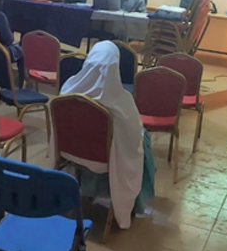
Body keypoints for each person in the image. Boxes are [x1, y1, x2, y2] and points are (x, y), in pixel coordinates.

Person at [58, 41, 155, 229]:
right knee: (144, 141)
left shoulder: (68, 89)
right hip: (105, 160)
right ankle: (135, 203)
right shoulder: (121, 101)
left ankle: (87, 189)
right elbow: (133, 138)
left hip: (70, 154)